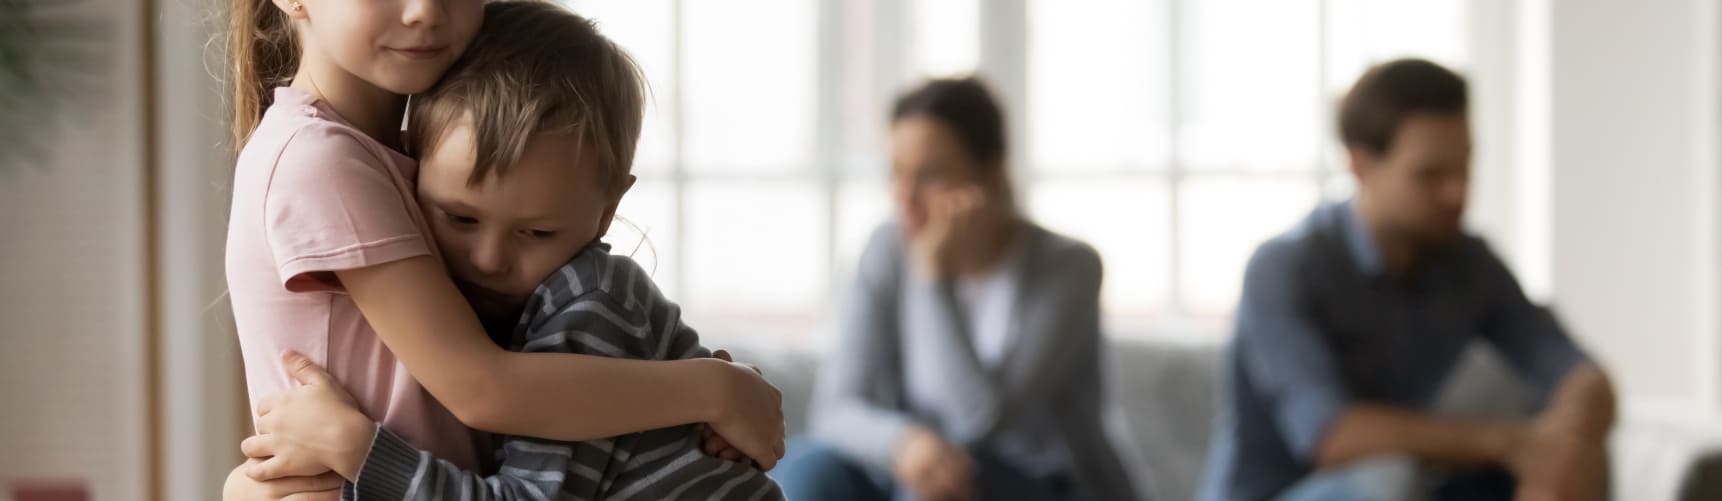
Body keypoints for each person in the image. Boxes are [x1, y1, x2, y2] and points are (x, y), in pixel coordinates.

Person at [220, 0, 782, 497]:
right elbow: (481, 389)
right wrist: (711, 390)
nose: (425, 10)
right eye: (462, 218)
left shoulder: (403, 157)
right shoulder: (321, 160)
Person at [1196, 58, 1615, 501]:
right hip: (1289, 492)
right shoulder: (1283, 268)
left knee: (1575, 454)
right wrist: (1512, 442)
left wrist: (1564, 444)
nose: (1457, 192)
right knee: (1387, 479)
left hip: (1406, 485)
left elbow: (1578, 372)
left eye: (1465, 167)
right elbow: (1332, 437)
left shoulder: (1468, 263)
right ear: (1361, 165)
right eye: (1430, 175)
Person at [772, 77, 1138, 501]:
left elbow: (981, 423)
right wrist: (903, 442)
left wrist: (933, 277)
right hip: (919, 467)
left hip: (1042, 481)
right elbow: (835, 409)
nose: (904, 198)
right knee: (807, 470)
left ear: (992, 172)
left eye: (929, 176)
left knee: (941, 488)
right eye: (896, 173)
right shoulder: (887, 249)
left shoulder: (1070, 267)